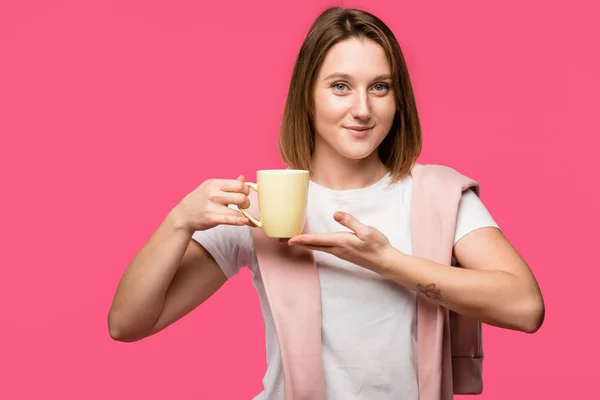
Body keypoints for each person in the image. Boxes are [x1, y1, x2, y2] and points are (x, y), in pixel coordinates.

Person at [108, 6, 545, 399]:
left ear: (398, 100)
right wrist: (178, 222)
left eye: (379, 87)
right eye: (340, 86)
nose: (362, 109)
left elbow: (525, 308)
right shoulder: (261, 206)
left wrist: (387, 260)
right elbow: (127, 324)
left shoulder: (438, 195)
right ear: (308, 96)